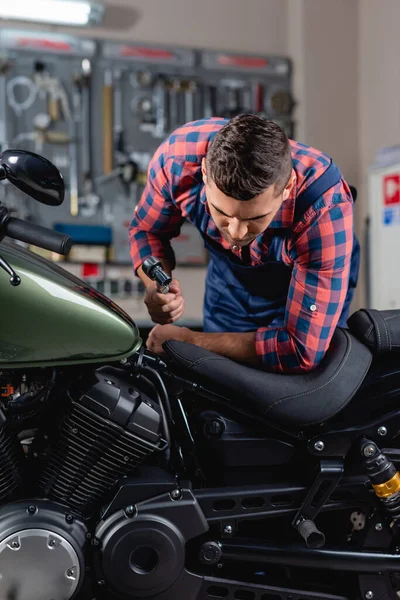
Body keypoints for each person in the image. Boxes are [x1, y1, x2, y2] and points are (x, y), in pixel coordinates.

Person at [129, 114, 360, 373]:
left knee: (295, 390)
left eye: (255, 218)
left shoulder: (324, 209)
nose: (237, 233)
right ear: (205, 172)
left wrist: (190, 341)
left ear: (288, 187)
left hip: (304, 282)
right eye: (222, 214)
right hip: (230, 285)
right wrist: (155, 286)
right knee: (219, 381)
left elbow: (301, 350)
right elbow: (146, 230)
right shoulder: (177, 160)